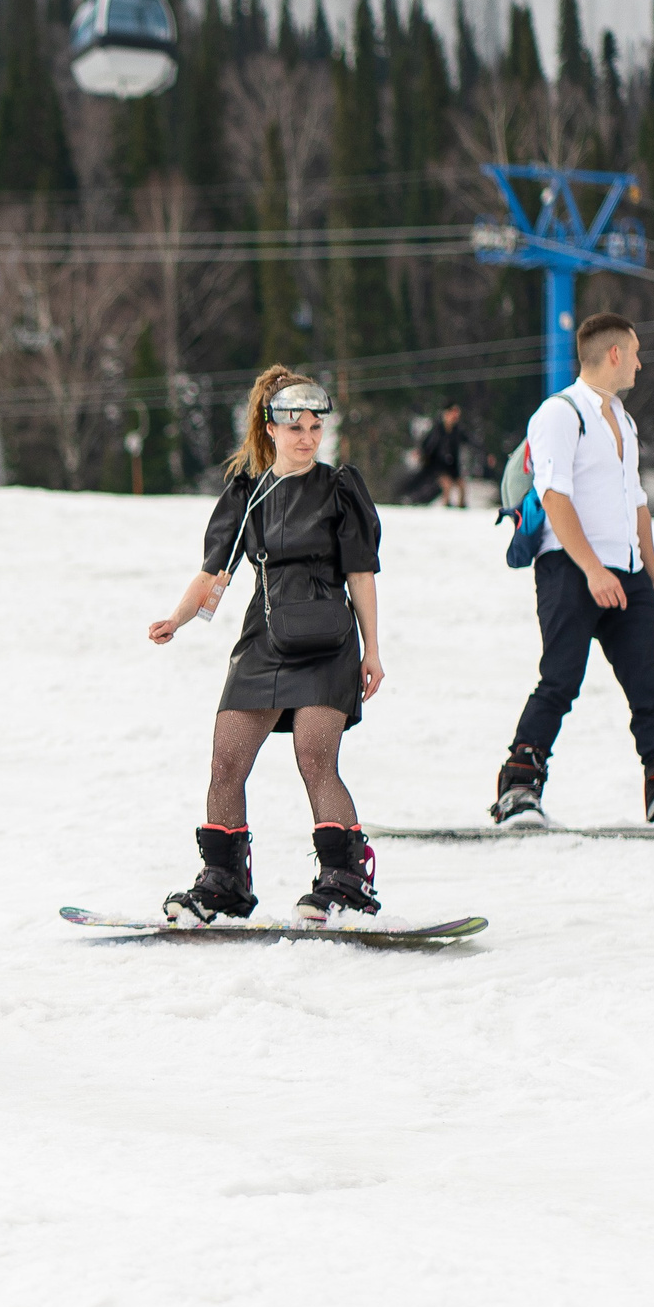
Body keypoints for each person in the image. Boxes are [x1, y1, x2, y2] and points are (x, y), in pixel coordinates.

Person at [147, 368, 386, 923]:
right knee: (227, 760)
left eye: (314, 427)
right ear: (271, 429)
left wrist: (372, 649)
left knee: (315, 756)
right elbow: (214, 574)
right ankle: (223, 882)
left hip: (329, 638)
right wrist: (178, 619)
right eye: (295, 427)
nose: (307, 437)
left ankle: (345, 881)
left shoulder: (339, 488)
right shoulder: (247, 493)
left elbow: (362, 575)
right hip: (265, 637)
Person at [490, 312, 654, 829]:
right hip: (569, 568)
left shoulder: (623, 421)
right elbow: (553, 494)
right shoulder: (560, 414)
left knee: (648, 687)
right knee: (560, 679)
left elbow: (638, 506)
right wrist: (591, 570)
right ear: (613, 354)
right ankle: (519, 786)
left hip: (626, 572)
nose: (639, 362)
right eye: (634, 352)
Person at [431, 402, 472, 509]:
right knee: (447, 485)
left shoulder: (458, 430)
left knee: (462, 486)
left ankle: (461, 507)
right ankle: (446, 506)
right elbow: (428, 444)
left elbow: (472, 441)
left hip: (453, 466)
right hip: (440, 465)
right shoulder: (438, 429)